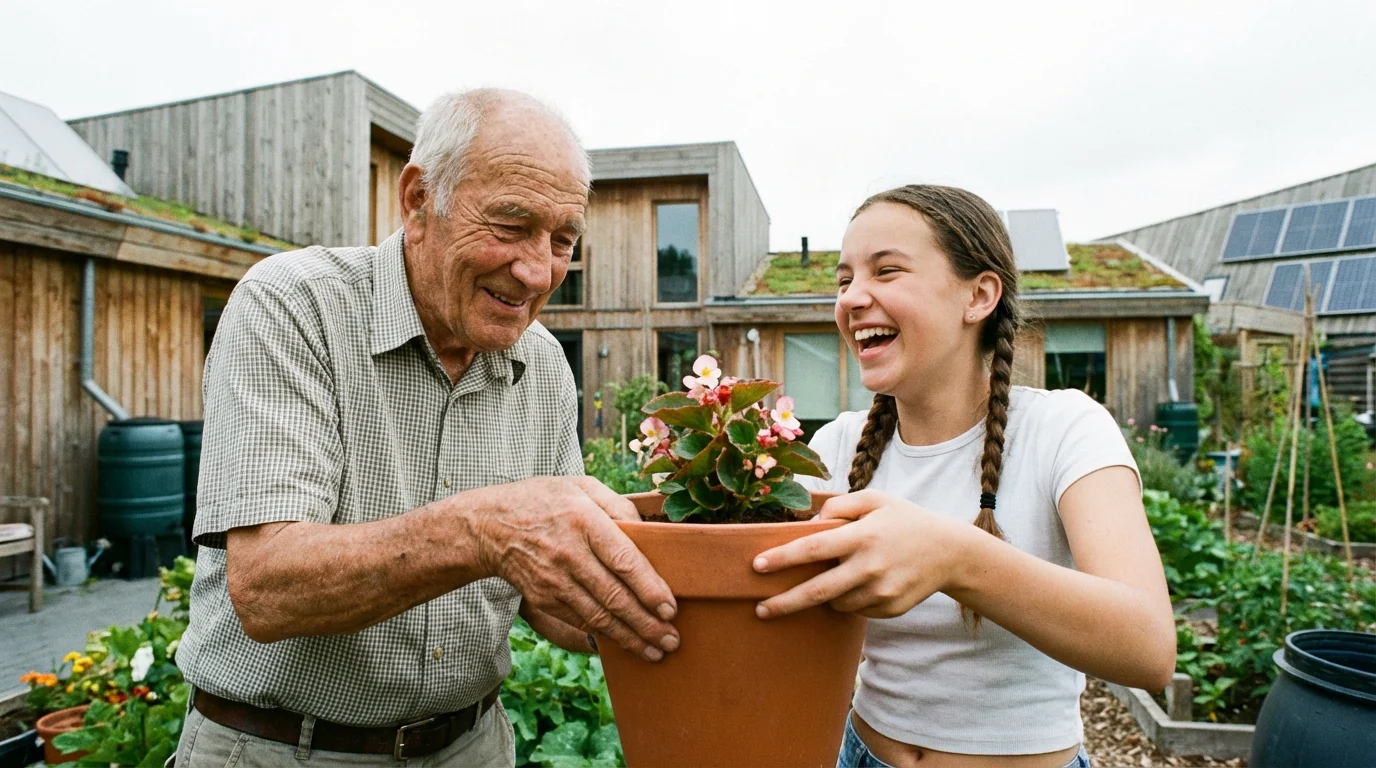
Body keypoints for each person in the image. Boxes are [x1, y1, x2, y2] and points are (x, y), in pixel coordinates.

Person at [172, 89, 680, 767]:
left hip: (472, 745)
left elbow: (547, 594)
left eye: (561, 241)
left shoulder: (545, 364)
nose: (536, 271)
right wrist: (490, 531)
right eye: (509, 225)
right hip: (281, 748)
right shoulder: (295, 306)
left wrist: (662, 597)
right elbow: (267, 587)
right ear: (418, 201)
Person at [752, 185, 1175, 768]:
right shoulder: (838, 446)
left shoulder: (1064, 429)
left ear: (978, 296)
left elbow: (1149, 647)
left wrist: (953, 557)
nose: (852, 299)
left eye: (887, 271)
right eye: (844, 280)